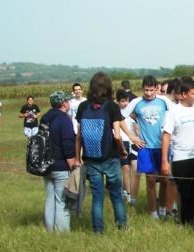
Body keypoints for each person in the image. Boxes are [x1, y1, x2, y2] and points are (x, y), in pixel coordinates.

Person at [75, 72, 128, 234]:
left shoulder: (83, 106)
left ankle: (98, 231)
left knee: (97, 197)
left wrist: (78, 158)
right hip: (110, 157)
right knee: (116, 195)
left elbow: (79, 136)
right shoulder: (112, 106)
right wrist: (123, 151)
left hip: (91, 158)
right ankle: (122, 228)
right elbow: (118, 136)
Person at [161, 78, 194, 228]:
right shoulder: (173, 112)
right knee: (187, 194)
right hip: (181, 159)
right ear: (183, 94)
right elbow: (166, 136)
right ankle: (190, 225)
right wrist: (165, 161)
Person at [126, 75, 172, 219]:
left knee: (165, 179)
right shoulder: (136, 102)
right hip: (145, 146)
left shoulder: (163, 101)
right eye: (146, 90)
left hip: (162, 145)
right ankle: (153, 212)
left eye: (152, 90)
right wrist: (133, 137)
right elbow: (120, 118)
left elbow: (175, 115)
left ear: (156, 89)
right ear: (142, 89)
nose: (149, 93)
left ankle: (163, 208)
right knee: (151, 180)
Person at [40, 91, 77, 232]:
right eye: (68, 101)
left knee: (50, 199)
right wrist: (72, 166)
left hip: (46, 165)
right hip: (61, 166)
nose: (69, 103)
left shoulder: (45, 118)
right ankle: (62, 233)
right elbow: (67, 145)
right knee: (62, 201)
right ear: (64, 103)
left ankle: (50, 229)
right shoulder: (64, 120)